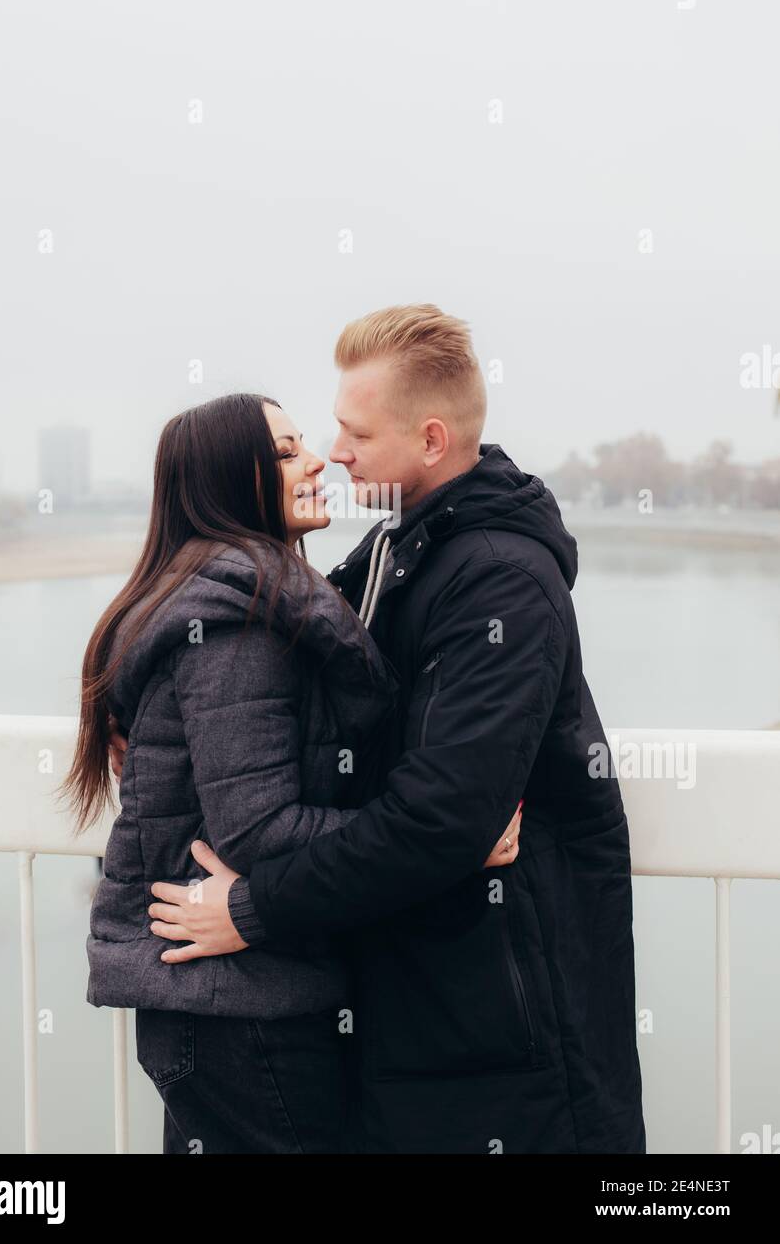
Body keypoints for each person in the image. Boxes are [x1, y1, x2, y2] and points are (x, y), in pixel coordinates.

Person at [121, 303, 647, 1155]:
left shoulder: (500, 581)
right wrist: (146, 718)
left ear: (431, 441)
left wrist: (254, 909)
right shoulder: (392, 555)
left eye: (352, 432)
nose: (337, 452)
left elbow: (443, 818)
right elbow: (262, 687)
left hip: (517, 1034)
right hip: (430, 1012)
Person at [61, 390, 519, 1154]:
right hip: (241, 1015)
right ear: (226, 480)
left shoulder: (240, 595)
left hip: (235, 1002)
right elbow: (260, 829)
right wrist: (446, 842)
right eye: (284, 452)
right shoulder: (238, 622)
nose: (316, 462)